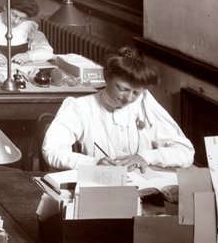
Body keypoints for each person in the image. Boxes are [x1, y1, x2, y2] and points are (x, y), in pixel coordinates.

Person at [41, 46, 194, 172]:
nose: (129, 99)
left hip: (143, 186)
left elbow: (185, 152)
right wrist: (93, 163)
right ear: (107, 78)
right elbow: (52, 150)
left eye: (136, 92)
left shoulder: (144, 104)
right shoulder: (81, 107)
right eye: (122, 89)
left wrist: (146, 157)